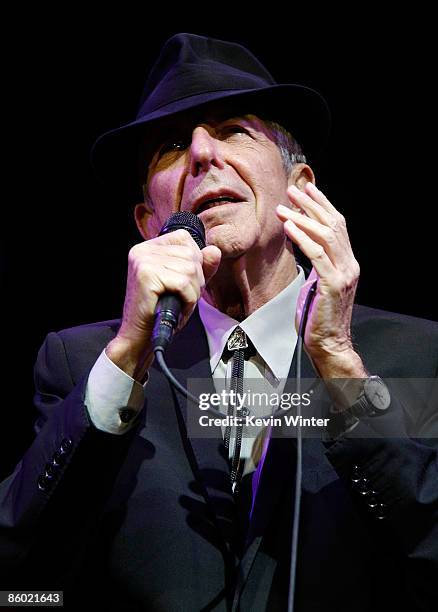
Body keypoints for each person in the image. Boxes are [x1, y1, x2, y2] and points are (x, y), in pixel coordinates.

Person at [1, 33, 437, 612]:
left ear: (302, 188)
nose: (203, 154)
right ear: (147, 220)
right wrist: (128, 352)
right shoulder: (86, 362)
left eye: (234, 130)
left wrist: (336, 361)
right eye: (173, 145)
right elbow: (22, 581)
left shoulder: (416, 353)